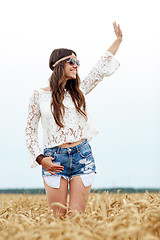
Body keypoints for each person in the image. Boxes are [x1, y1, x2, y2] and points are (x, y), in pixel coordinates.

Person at [25, 21, 123, 218]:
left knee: (76, 219)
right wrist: (41, 159)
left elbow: (99, 69)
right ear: (58, 64)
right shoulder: (37, 95)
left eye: (78, 62)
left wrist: (118, 40)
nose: (76, 66)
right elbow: (29, 131)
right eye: (72, 61)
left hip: (82, 156)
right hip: (54, 158)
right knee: (58, 220)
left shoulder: (79, 92)